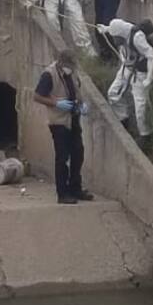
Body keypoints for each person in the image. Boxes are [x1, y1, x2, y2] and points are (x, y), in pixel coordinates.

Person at [32, 48, 93, 205]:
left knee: (78, 154)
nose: (71, 69)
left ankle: (75, 188)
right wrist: (56, 103)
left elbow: (77, 90)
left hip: (73, 118)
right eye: (69, 66)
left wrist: (82, 104)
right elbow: (37, 96)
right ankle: (63, 193)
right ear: (61, 63)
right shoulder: (49, 74)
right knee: (62, 158)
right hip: (58, 122)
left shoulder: (72, 72)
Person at [96, 16, 153, 142]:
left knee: (140, 105)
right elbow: (115, 29)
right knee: (113, 93)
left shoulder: (137, 38)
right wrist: (106, 29)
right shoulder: (121, 30)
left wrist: (148, 78)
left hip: (140, 72)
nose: (115, 41)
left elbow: (152, 57)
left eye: (116, 38)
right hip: (127, 67)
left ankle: (145, 135)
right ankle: (123, 121)